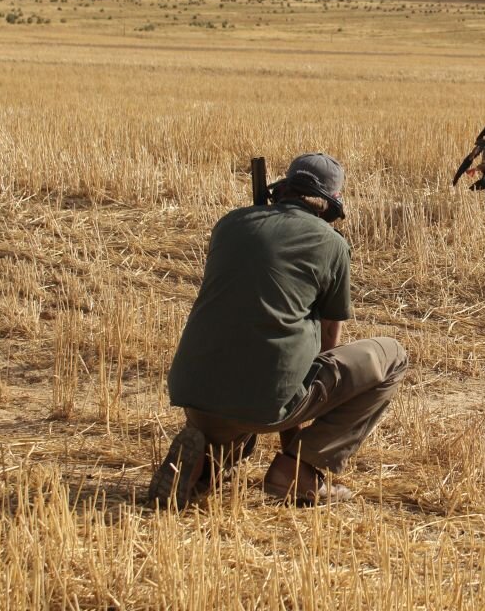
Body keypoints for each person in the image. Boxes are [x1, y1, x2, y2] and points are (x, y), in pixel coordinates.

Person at [148, 153, 408, 508]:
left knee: (241, 373)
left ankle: (206, 464)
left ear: (282, 189)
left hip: (192, 390)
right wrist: (298, 442)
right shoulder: (331, 245)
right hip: (262, 403)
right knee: (393, 357)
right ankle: (298, 472)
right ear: (330, 203)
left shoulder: (229, 224)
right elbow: (328, 343)